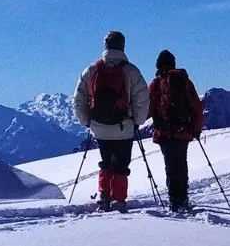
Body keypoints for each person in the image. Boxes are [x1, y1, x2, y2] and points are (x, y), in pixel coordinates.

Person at [73, 30, 151, 212]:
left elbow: (78, 99)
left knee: (106, 161)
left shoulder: (92, 69)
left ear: (105, 46)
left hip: (99, 127)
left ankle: (104, 196)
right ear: (123, 46)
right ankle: (119, 200)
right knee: (121, 164)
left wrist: (87, 121)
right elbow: (142, 98)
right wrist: (138, 121)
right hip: (124, 127)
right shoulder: (131, 70)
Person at [149, 49, 205, 212]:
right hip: (183, 131)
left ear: (158, 66)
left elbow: (148, 107)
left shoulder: (156, 84)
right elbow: (196, 106)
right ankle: (183, 198)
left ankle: (175, 200)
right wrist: (196, 128)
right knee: (181, 162)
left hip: (164, 132)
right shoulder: (184, 81)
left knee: (170, 165)